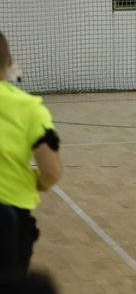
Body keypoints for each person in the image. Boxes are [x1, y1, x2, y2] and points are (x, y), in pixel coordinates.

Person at [0, 32, 63, 282]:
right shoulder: (29, 108)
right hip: (10, 218)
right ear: (8, 61)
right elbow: (52, 172)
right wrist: (35, 182)